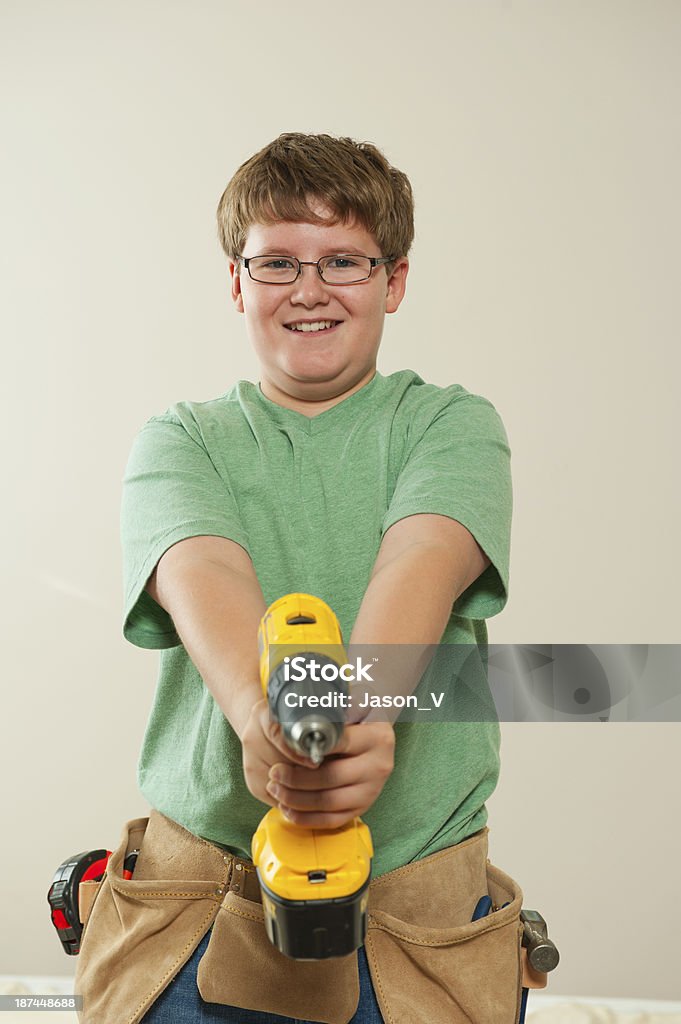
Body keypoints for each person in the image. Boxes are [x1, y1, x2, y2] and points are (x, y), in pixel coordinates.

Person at [78, 133, 516, 1024]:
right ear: (236, 284)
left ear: (392, 281)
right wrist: (268, 725)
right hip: (196, 917)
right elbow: (201, 569)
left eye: (343, 261)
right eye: (275, 261)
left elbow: (422, 560)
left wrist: (355, 713)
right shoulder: (181, 440)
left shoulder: (450, 426)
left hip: (415, 930)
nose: (308, 290)